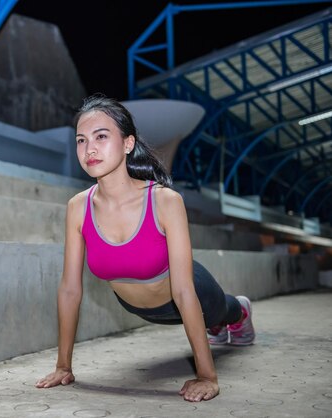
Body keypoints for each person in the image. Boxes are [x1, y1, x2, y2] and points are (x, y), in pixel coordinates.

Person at [35, 94, 255, 402]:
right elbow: (70, 289)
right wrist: (63, 366)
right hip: (136, 307)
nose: (90, 149)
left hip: (190, 291)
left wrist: (207, 376)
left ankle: (240, 312)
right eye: (81, 140)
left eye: (101, 136)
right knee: (210, 320)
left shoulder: (165, 200)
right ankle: (219, 323)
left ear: (128, 143)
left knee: (222, 312)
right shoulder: (77, 207)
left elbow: (183, 292)